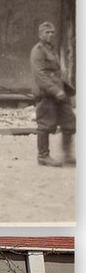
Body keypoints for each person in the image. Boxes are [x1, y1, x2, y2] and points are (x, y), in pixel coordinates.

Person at [29, 21, 76, 167]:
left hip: (60, 93)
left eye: (52, 32)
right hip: (47, 94)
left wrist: (66, 90)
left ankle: (67, 155)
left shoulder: (52, 49)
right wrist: (56, 91)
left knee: (69, 122)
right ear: (40, 34)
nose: (50, 35)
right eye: (46, 32)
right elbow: (40, 75)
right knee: (44, 124)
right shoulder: (38, 51)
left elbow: (56, 73)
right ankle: (43, 156)